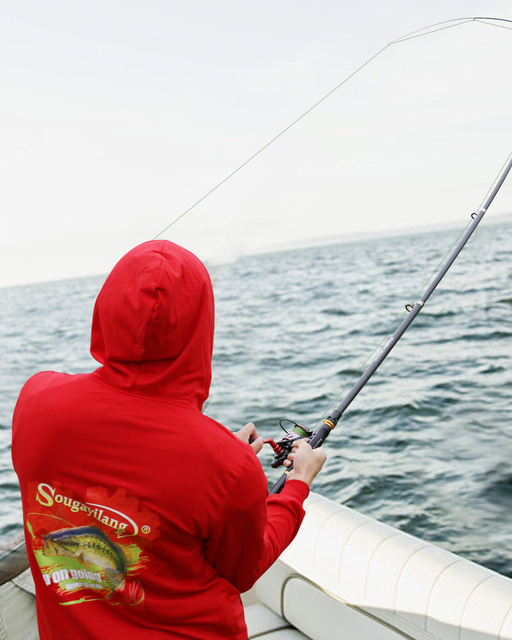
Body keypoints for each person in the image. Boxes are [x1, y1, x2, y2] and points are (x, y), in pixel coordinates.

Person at [12, 239, 326, 640]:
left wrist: (217, 460)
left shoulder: (36, 400)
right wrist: (297, 484)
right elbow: (245, 571)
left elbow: (126, 457)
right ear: (201, 327)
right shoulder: (226, 465)